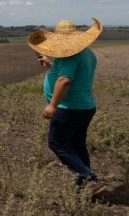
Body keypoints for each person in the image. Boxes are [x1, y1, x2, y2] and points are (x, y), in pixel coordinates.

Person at [28, 18, 108, 197]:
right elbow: (71, 73)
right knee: (77, 144)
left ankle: (89, 179)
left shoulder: (70, 55)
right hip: (85, 107)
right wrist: (51, 64)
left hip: (69, 108)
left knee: (57, 142)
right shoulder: (87, 54)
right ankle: (84, 186)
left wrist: (52, 105)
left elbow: (65, 80)